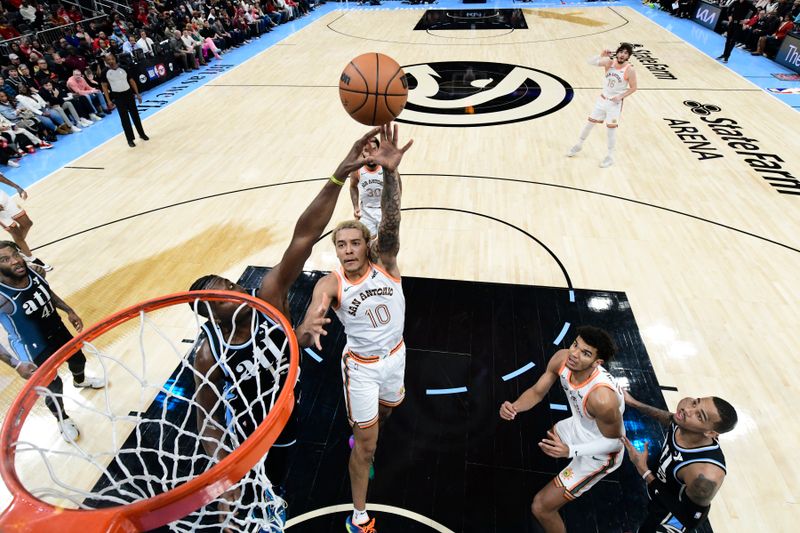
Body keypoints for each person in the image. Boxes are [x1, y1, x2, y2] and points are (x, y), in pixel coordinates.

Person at [188, 125, 403, 525]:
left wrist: (339, 176)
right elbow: (209, 419)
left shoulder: (267, 297)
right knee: (259, 490)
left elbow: (303, 237)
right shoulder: (209, 353)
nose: (238, 293)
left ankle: (280, 490)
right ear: (211, 315)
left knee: (293, 462)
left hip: (292, 404)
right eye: (225, 297)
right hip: (255, 430)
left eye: (233, 285)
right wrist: (222, 476)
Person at [295, 124, 412, 533]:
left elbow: (392, 223)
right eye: (341, 244)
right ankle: (359, 516)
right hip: (360, 367)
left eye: (354, 243)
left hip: (395, 358)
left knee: (389, 411)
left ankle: (368, 429)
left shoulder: (387, 264)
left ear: (367, 245)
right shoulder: (333, 282)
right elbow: (316, 306)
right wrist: (308, 320)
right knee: (367, 445)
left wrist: (392, 174)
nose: (347, 249)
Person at [499, 327, 625, 533]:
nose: (574, 354)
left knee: (540, 507)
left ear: (597, 363)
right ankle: (566, 475)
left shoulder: (602, 399)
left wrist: (570, 451)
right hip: (580, 426)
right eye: (575, 344)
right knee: (551, 436)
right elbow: (537, 392)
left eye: (585, 353)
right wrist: (514, 407)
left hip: (601, 452)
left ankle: (573, 479)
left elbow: (615, 443)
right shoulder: (562, 358)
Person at [0, 241, 104, 441]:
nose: (15, 261)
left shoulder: (34, 271)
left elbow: (47, 293)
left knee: (78, 361)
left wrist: (68, 310)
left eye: (15, 254)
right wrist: (16, 363)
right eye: (5, 259)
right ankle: (62, 419)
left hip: (57, 330)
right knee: (53, 388)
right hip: (33, 348)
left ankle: (80, 380)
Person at [622, 391, 737, 532]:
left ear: (711, 433)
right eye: (695, 402)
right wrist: (634, 403)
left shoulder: (705, 475)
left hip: (674, 515)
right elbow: (669, 418)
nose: (687, 410)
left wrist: (644, 471)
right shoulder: (684, 421)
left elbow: (689, 520)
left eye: (699, 416)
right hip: (659, 493)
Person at [567, 43, 638, 168]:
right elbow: (590, 61)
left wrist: (620, 96)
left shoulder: (630, 69)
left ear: (629, 56)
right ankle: (579, 145)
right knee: (589, 124)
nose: (623, 55)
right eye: (621, 52)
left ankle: (610, 156)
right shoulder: (609, 62)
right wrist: (601, 55)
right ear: (617, 52)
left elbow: (634, 88)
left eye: (626, 53)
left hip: (614, 104)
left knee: (611, 130)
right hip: (602, 100)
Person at [0, 173, 52, 270]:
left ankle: (18, 247)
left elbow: (0, 177)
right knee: (16, 234)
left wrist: (17, 187)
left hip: (4, 199)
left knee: (27, 223)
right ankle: (31, 259)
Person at [99, 54, 149, 148]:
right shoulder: (104, 72)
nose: (111, 61)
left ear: (115, 59)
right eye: (108, 60)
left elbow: (132, 81)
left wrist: (137, 94)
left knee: (135, 115)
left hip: (129, 94)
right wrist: (108, 100)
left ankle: (142, 134)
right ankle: (130, 139)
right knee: (124, 119)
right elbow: (104, 87)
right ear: (106, 61)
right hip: (118, 96)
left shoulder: (124, 68)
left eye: (112, 59)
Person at [348, 135, 384, 237]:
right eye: (366, 150)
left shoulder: (386, 167)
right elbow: (353, 187)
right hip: (366, 212)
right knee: (368, 244)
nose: (371, 153)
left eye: (374, 149)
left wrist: (395, 207)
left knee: (385, 245)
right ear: (362, 152)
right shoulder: (357, 169)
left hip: (384, 210)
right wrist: (355, 207)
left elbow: (397, 187)